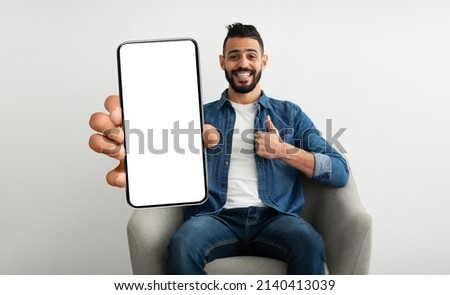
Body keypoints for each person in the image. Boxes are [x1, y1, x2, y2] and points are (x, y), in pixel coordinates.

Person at [89, 23, 349, 275]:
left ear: (264, 61)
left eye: (251, 56)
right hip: (215, 217)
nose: (243, 64)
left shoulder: (289, 114)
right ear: (222, 62)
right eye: (234, 56)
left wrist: (284, 151)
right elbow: (165, 164)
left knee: (310, 243)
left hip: (277, 218)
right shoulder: (197, 116)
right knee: (182, 245)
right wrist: (141, 165)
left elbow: (339, 171)